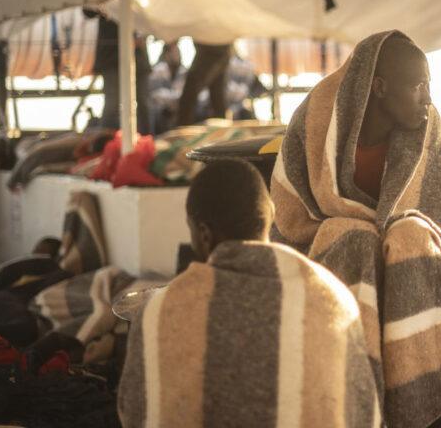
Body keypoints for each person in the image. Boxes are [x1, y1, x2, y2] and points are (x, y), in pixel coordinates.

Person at [271, 31, 441, 428]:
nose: (428, 98)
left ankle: (417, 408)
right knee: (351, 236)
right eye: (418, 86)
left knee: (411, 237)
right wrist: (364, 230)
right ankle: (357, 399)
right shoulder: (319, 116)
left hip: (396, 249)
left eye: (429, 86)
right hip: (329, 244)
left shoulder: (427, 125)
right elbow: (291, 212)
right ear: (380, 87)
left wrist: (395, 232)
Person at [119, 160, 379, 427]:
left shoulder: (159, 312)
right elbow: (363, 410)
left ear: (204, 233)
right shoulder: (333, 299)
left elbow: (136, 412)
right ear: (271, 213)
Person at [82, 8, 151, 135]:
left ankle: (147, 142)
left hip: (137, 57)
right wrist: (102, 6)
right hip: (111, 56)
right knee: (112, 105)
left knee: (143, 104)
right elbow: (87, 11)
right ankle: (105, 143)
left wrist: (142, 34)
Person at [176, 42, 232, 125]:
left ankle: (183, 126)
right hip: (218, 48)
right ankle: (222, 127)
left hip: (211, 49)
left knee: (189, 92)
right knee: (217, 96)